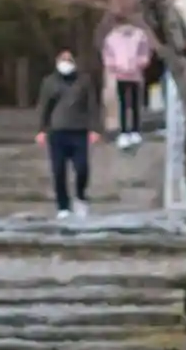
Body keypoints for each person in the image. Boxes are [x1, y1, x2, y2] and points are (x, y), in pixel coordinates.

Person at [36, 48, 101, 220]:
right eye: (63, 60)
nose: (66, 64)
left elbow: (92, 105)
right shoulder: (49, 82)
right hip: (57, 131)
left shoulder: (84, 81)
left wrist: (94, 128)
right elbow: (44, 106)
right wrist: (41, 129)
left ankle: (80, 195)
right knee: (58, 170)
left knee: (82, 168)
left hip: (79, 131)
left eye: (69, 60)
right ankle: (63, 206)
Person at [103, 17, 153, 150]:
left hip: (136, 74)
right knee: (123, 104)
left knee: (135, 103)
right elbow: (108, 56)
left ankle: (135, 130)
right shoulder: (111, 38)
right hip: (120, 75)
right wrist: (115, 67)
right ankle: (124, 131)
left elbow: (145, 53)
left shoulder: (139, 35)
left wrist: (139, 64)